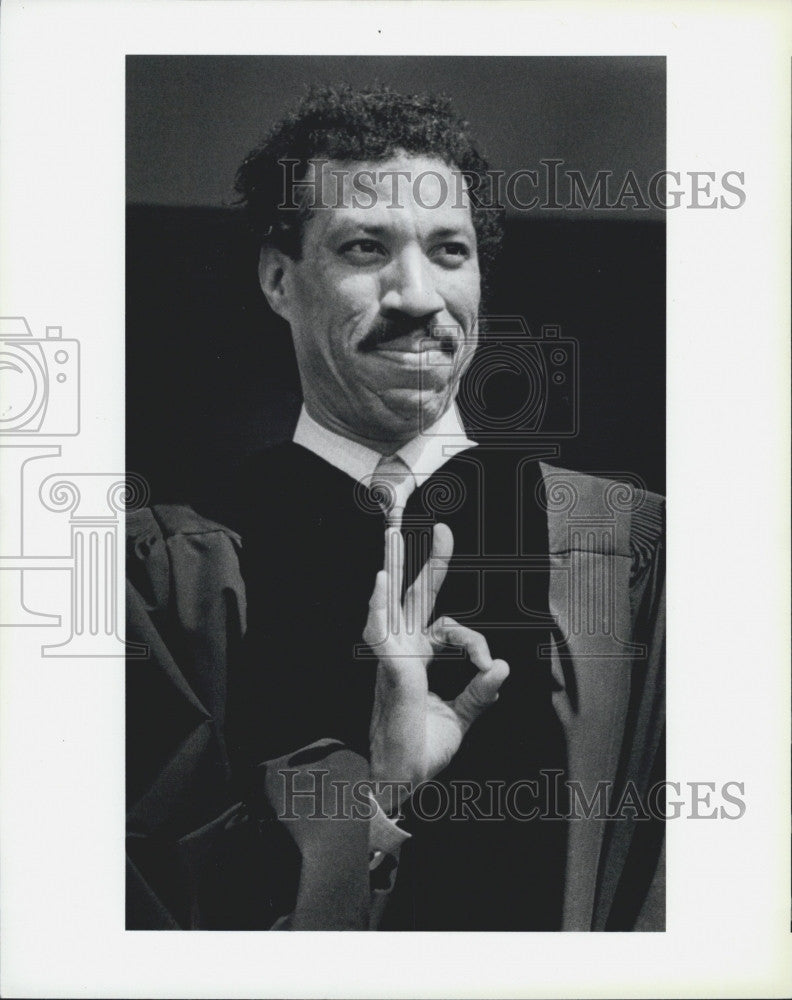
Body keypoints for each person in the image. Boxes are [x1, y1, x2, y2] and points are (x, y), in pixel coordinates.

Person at [126, 84, 665, 932]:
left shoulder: (631, 551)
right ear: (279, 277)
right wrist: (373, 805)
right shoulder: (163, 579)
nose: (417, 296)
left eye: (449, 251)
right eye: (366, 248)